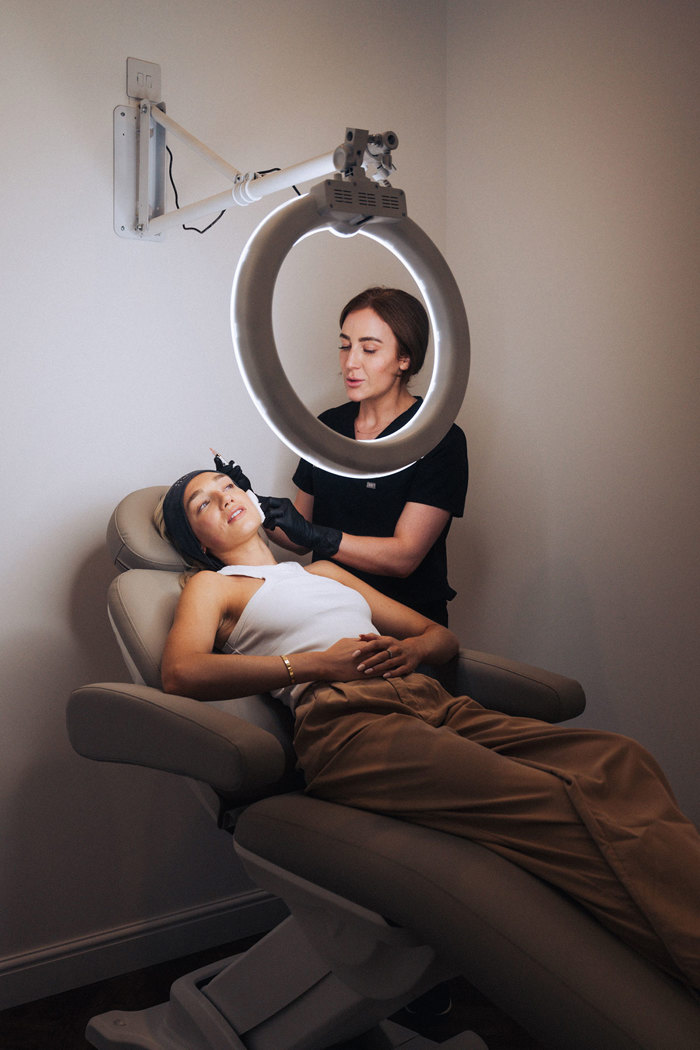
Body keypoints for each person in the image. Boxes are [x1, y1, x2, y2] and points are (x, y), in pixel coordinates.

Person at [158, 465, 700, 994]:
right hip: (347, 725)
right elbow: (182, 673)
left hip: (432, 702)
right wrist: (322, 664)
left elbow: (438, 637)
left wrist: (411, 648)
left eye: (228, 484)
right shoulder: (214, 586)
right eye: (202, 502)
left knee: (618, 760)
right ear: (198, 542)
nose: (224, 496)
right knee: (543, 797)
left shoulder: (321, 572)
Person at [263, 287, 468, 626]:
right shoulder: (328, 427)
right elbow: (298, 537)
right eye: (345, 346)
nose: (350, 362)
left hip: (405, 627)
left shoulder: (439, 438)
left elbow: (404, 556)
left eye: (369, 349)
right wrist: (252, 506)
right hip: (330, 615)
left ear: (405, 358)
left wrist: (319, 537)